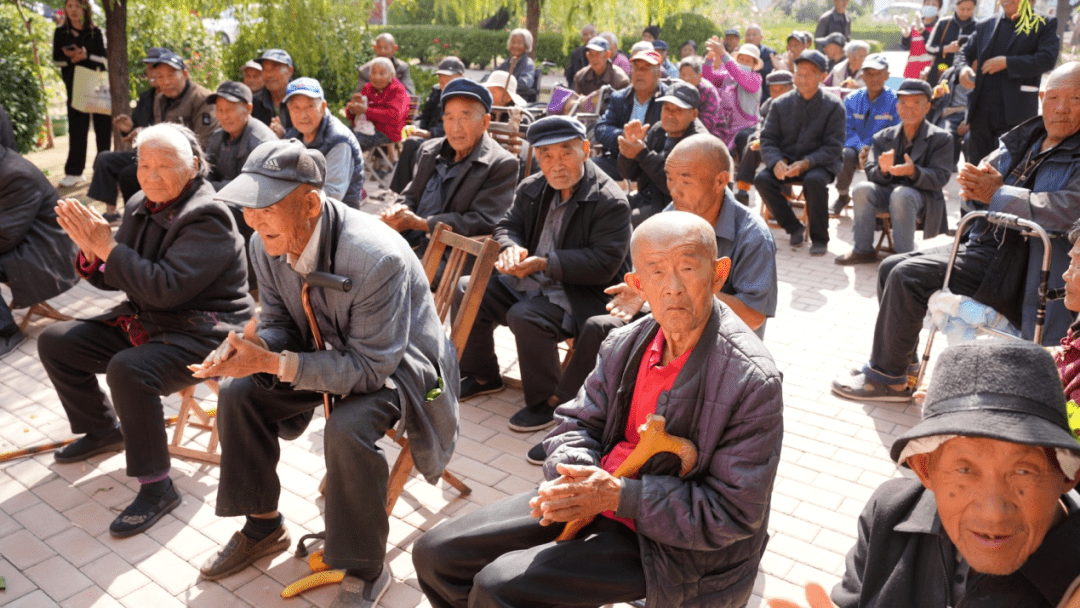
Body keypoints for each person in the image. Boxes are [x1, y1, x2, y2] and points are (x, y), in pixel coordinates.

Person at [414, 210, 784, 608]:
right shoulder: (623, 343)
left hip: (670, 545)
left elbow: (733, 513)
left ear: (718, 273)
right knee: (437, 553)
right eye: (656, 273)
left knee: (498, 587)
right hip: (598, 493)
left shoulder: (751, 380)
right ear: (637, 284)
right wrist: (576, 472)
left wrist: (619, 496)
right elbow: (577, 420)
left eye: (688, 267)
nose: (673, 287)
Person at [195, 138, 458, 608]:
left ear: (311, 203)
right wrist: (252, 349)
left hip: (400, 366)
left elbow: (371, 368)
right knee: (238, 392)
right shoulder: (264, 241)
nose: (251, 220)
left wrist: (275, 363)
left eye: (263, 207)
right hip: (324, 349)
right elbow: (277, 319)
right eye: (247, 207)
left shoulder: (377, 255)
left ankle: (365, 567)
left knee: (347, 427)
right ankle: (263, 526)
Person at [42, 123, 253, 538]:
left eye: (164, 166)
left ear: (192, 166)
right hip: (152, 318)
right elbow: (115, 276)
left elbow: (166, 288)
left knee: (129, 368)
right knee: (56, 342)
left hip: (204, 329)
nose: (151, 176)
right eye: (144, 164)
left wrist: (107, 248)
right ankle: (102, 429)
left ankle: (157, 486)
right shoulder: (141, 201)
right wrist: (90, 249)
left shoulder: (208, 215)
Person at [831, 62, 1080, 402]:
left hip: (1022, 265)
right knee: (891, 266)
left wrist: (997, 194)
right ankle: (901, 366)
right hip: (982, 244)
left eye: (1075, 99)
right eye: (1053, 98)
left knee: (907, 276)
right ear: (1041, 99)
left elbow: (1069, 208)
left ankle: (885, 378)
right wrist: (972, 187)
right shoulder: (1027, 138)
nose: (1062, 108)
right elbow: (978, 180)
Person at [526, 133, 779, 464]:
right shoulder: (675, 214)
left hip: (717, 347)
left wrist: (690, 288)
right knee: (603, 329)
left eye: (685, 180)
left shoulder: (752, 235)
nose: (674, 189)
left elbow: (754, 315)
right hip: (666, 325)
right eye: (670, 179)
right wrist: (643, 288)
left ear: (720, 181)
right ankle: (575, 421)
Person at [821, 339, 1080, 608]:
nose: (993, 512)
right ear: (924, 469)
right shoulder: (889, 513)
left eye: (1023, 471)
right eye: (965, 470)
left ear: (1067, 474)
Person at [455, 116, 631, 433]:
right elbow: (506, 225)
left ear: (586, 150)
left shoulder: (610, 201)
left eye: (566, 153)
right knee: (469, 288)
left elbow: (604, 262)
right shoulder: (533, 187)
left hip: (579, 293)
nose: (555, 164)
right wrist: (510, 247)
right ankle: (482, 375)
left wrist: (543, 263)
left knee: (526, 315)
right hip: (528, 280)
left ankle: (547, 400)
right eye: (546, 155)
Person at [381, 79, 518, 253]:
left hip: (447, 255)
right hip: (408, 242)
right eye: (449, 118)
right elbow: (411, 194)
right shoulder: (429, 150)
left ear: (484, 122)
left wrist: (422, 224)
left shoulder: (501, 164)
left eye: (464, 118)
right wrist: (399, 209)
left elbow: (483, 220)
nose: (455, 128)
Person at [86, 49, 218, 224]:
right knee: (111, 161)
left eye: (171, 75)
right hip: (161, 155)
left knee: (130, 174)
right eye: (160, 77)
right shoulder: (160, 99)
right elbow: (159, 132)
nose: (165, 82)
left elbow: (203, 143)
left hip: (188, 161)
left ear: (185, 74)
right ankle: (137, 219)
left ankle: (152, 218)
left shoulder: (202, 98)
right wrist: (135, 131)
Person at [836, 79, 952, 264]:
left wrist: (913, 172)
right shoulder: (882, 136)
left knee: (902, 194)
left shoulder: (941, 138)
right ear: (897, 107)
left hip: (922, 197)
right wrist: (882, 170)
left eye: (916, 104)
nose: (909, 109)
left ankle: (903, 257)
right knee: (861, 189)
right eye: (904, 104)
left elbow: (941, 177)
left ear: (927, 107)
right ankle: (863, 249)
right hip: (888, 192)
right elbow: (871, 171)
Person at [755, 50, 845, 256]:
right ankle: (793, 227)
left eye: (810, 73)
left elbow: (834, 146)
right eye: (799, 72)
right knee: (762, 180)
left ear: (823, 77)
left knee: (814, 181)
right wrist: (775, 161)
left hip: (820, 164)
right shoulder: (780, 104)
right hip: (787, 161)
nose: (803, 78)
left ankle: (820, 237)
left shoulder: (834, 106)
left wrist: (807, 163)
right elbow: (768, 139)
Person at [957, 0, 1059, 167]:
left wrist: (1008, 63)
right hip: (980, 113)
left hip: (1016, 115)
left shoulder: (1043, 23)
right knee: (975, 167)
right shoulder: (986, 24)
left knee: (1006, 168)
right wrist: (962, 69)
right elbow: (964, 53)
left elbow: (1047, 59)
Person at [0, 146, 79, 358]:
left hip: (46, 254)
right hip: (25, 243)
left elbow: (6, 235)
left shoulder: (14, 174)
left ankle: (6, 333)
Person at [619, 81, 708, 226]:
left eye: (677, 110)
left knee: (623, 222)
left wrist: (642, 154)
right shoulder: (658, 130)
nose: (670, 115)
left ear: (693, 114)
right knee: (605, 207)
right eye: (667, 108)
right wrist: (629, 150)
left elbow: (676, 188)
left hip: (676, 209)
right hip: (648, 198)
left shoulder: (698, 142)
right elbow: (629, 174)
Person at [52, 0, 109, 188]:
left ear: (85, 9)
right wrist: (71, 60)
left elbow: (104, 59)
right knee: (77, 129)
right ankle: (75, 172)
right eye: (70, 6)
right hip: (75, 87)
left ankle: (104, 168)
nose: (74, 10)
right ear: (65, 9)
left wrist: (86, 56)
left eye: (78, 6)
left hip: (97, 87)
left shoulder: (95, 32)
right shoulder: (61, 33)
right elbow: (56, 61)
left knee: (103, 128)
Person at [832, 53, 898, 215]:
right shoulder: (851, 99)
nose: (874, 78)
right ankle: (842, 195)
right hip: (856, 147)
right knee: (845, 154)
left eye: (878, 74)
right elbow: (845, 129)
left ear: (887, 75)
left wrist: (874, 148)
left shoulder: (895, 100)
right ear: (862, 76)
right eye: (869, 74)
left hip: (883, 149)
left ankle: (879, 201)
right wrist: (861, 148)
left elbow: (897, 131)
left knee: (885, 159)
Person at [283, 78, 364, 208]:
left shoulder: (339, 140)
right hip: (306, 208)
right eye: (296, 107)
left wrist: (288, 198)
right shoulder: (294, 133)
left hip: (336, 216)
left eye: (310, 106)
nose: (302, 115)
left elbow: (333, 194)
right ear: (289, 109)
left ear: (323, 107)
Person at [389, 56, 466, 194]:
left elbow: (460, 125)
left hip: (451, 139)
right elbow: (425, 115)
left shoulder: (464, 96)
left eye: (448, 81)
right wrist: (417, 128)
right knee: (411, 144)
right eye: (441, 80)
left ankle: (406, 192)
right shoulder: (437, 90)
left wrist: (430, 133)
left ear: (461, 77)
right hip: (430, 136)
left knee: (415, 145)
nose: (443, 85)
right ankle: (403, 193)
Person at [593, 49, 669, 180]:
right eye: (636, 68)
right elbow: (601, 128)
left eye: (645, 69)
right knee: (589, 167)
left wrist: (644, 141)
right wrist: (624, 136)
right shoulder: (619, 98)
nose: (639, 73)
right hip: (622, 161)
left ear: (658, 74)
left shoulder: (668, 99)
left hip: (653, 162)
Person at [734, 70, 795, 205]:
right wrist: (761, 138)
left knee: (785, 154)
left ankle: (783, 197)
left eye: (782, 90)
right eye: (774, 90)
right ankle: (742, 192)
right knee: (751, 143)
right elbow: (761, 126)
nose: (777, 94)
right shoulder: (768, 104)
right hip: (772, 146)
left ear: (791, 88)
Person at [204, 81, 278, 191]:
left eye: (230, 109)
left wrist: (212, 187)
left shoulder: (261, 143)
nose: (224, 116)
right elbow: (205, 173)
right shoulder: (217, 137)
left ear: (249, 109)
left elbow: (254, 188)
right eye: (220, 110)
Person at [703, 40, 764, 154]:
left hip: (746, 129)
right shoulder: (728, 76)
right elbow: (708, 77)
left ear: (754, 65)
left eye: (748, 61)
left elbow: (739, 74)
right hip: (726, 129)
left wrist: (723, 55)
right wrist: (709, 58)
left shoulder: (755, 79)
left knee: (741, 138)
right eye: (741, 59)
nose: (744, 63)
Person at [345, 57, 411, 151]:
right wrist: (352, 107)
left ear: (392, 75)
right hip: (363, 128)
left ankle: (347, 165)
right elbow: (351, 116)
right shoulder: (368, 88)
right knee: (336, 138)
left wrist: (365, 110)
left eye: (381, 73)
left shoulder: (397, 90)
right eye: (373, 73)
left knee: (349, 146)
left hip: (385, 132)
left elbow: (394, 116)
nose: (376, 77)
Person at [923, 0, 976, 86]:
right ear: (956, 6)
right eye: (962, 9)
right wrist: (945, 49)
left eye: (969, 9)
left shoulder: (978, 27)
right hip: (939, 74)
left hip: (964, 76)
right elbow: (929, 47)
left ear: (974, 8)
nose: (965, 12)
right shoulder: (943, 23)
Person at [250, 48, 295, 137]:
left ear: (290, 71)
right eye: (265, 69)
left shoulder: (303, 99)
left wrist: (285, 135)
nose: (269, 74)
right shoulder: (254, 103)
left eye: (275, 68)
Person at [678, 56, 723, 140]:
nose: (686, 79)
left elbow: (707, 123)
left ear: (700, 76)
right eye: (683, 75)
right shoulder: (678, 88)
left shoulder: (708, 91)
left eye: (690, 75)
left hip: (711, 134)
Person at [488, 29, 537, 103]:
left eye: (519, 43)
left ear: (526, 46)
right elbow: (492, 75)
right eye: (513, 42)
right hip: (500, 99)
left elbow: (525, 84)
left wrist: (503, 84)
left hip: (516, 100)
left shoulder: (528, 64)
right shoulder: (506, 62)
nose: (515, 45)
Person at [897, 0, 941, 79]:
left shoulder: (941, 26)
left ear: (939, 8)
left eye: (934, 4)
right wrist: (906, 33)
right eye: (927, 3)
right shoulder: (915, 25)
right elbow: (905, 47)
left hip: (930, 74)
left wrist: (923, 32)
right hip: (911, 73)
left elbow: (936, 46)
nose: (930, 6)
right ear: (923, 5)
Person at [745, 24, 777, 100]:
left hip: (762, 97)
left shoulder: (769, 53)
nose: (751, 38)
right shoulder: (739, 52)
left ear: (761, 37)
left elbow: (766, 73)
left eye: (754, 35)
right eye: (748, 35)